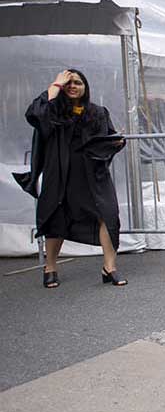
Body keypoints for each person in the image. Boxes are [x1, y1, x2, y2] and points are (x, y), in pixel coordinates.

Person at [16, 69, 127, 288]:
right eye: (69, 84)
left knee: (108, 215)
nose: (73, 86)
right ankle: (50, 267)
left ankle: (109, 267)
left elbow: (106, 140)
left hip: (93, 175)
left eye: (77, 83)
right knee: (55, 217)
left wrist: (115, 143)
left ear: (85, 87)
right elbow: (33, 114)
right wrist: (56, 85)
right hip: (59, 174)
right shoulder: (52, 113)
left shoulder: (97, 112)